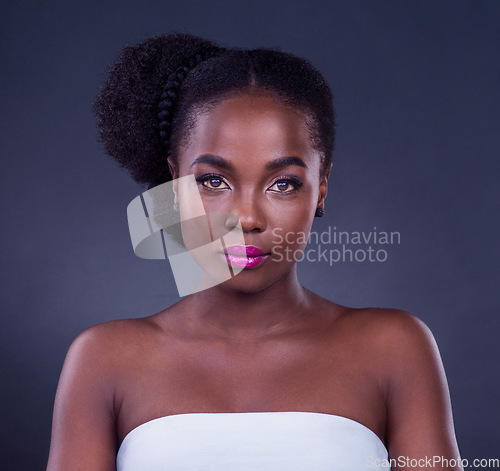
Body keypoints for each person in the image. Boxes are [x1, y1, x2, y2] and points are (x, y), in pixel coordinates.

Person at [46, 33, 463, 470]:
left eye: (283, 183)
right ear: (174, 185)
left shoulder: (394, 348)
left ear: (321, 189)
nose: (246, 218)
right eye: (213, 181)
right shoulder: (105, 359)